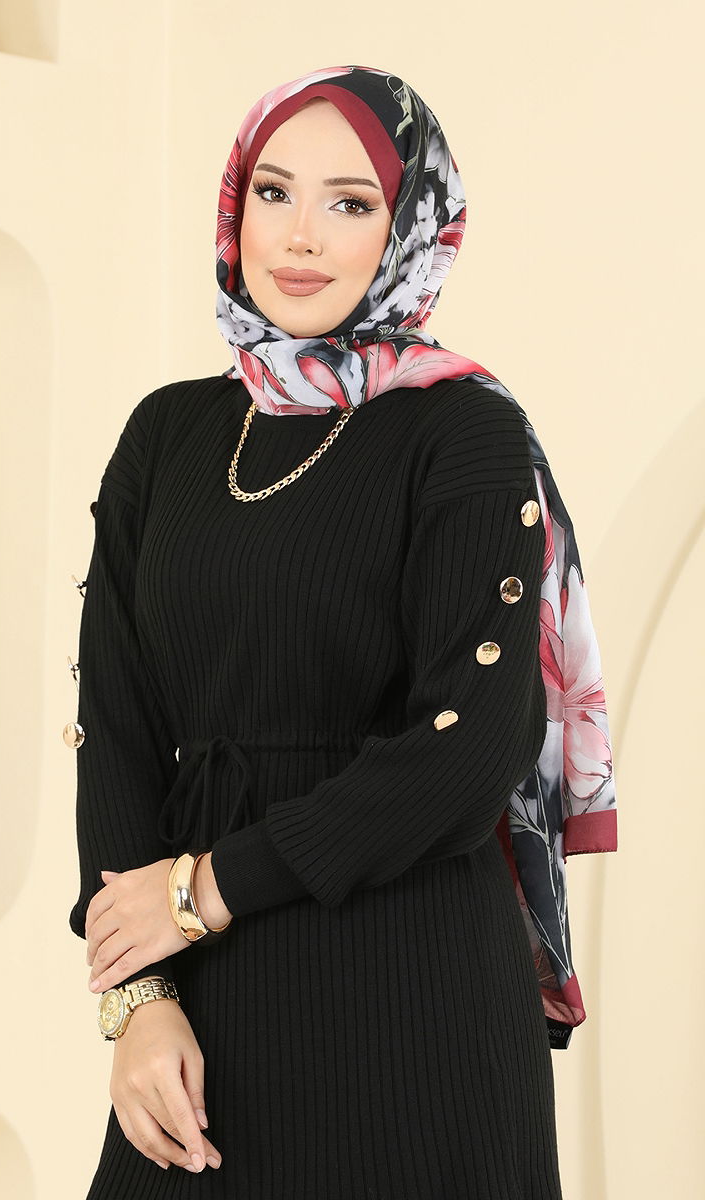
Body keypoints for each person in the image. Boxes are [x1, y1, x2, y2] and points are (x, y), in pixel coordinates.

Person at [68, 63, 617, 1199]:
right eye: (273, 192)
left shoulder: (462, 433)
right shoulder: (168, 435)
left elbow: (468, 751)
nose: (301, 236)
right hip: (196, 994)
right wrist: (137, 1001)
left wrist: (203, 890)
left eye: (350, 202)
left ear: (410, 227)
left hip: (409, 998)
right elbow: (115, 723)